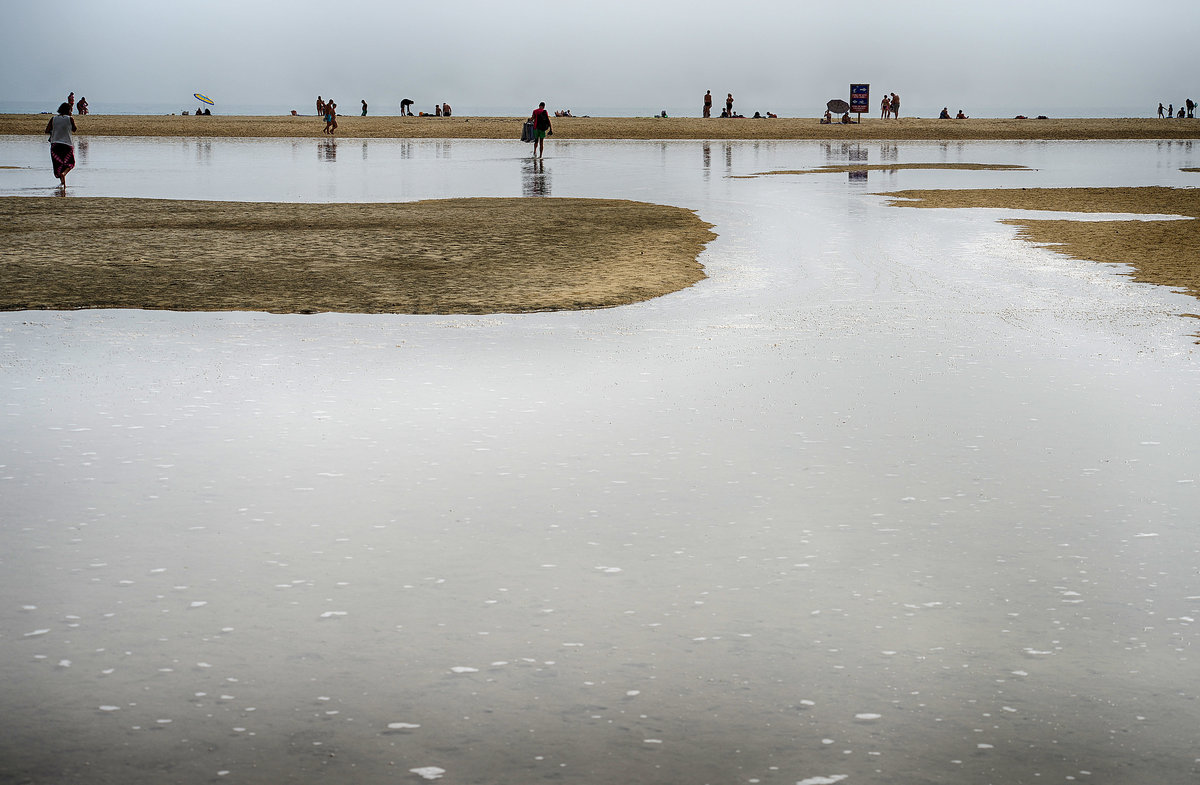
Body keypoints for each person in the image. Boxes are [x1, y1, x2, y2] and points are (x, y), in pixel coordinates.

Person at [45, 102, 76, 187]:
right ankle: (64, 174)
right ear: (68, 110)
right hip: (67, 144)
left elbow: (47, 130)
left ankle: (62, 183)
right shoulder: (70, 119)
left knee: (58, 164)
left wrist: (54, 131)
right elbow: (74, 129)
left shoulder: (53, 118)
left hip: (55, 145)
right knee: (70, 163)